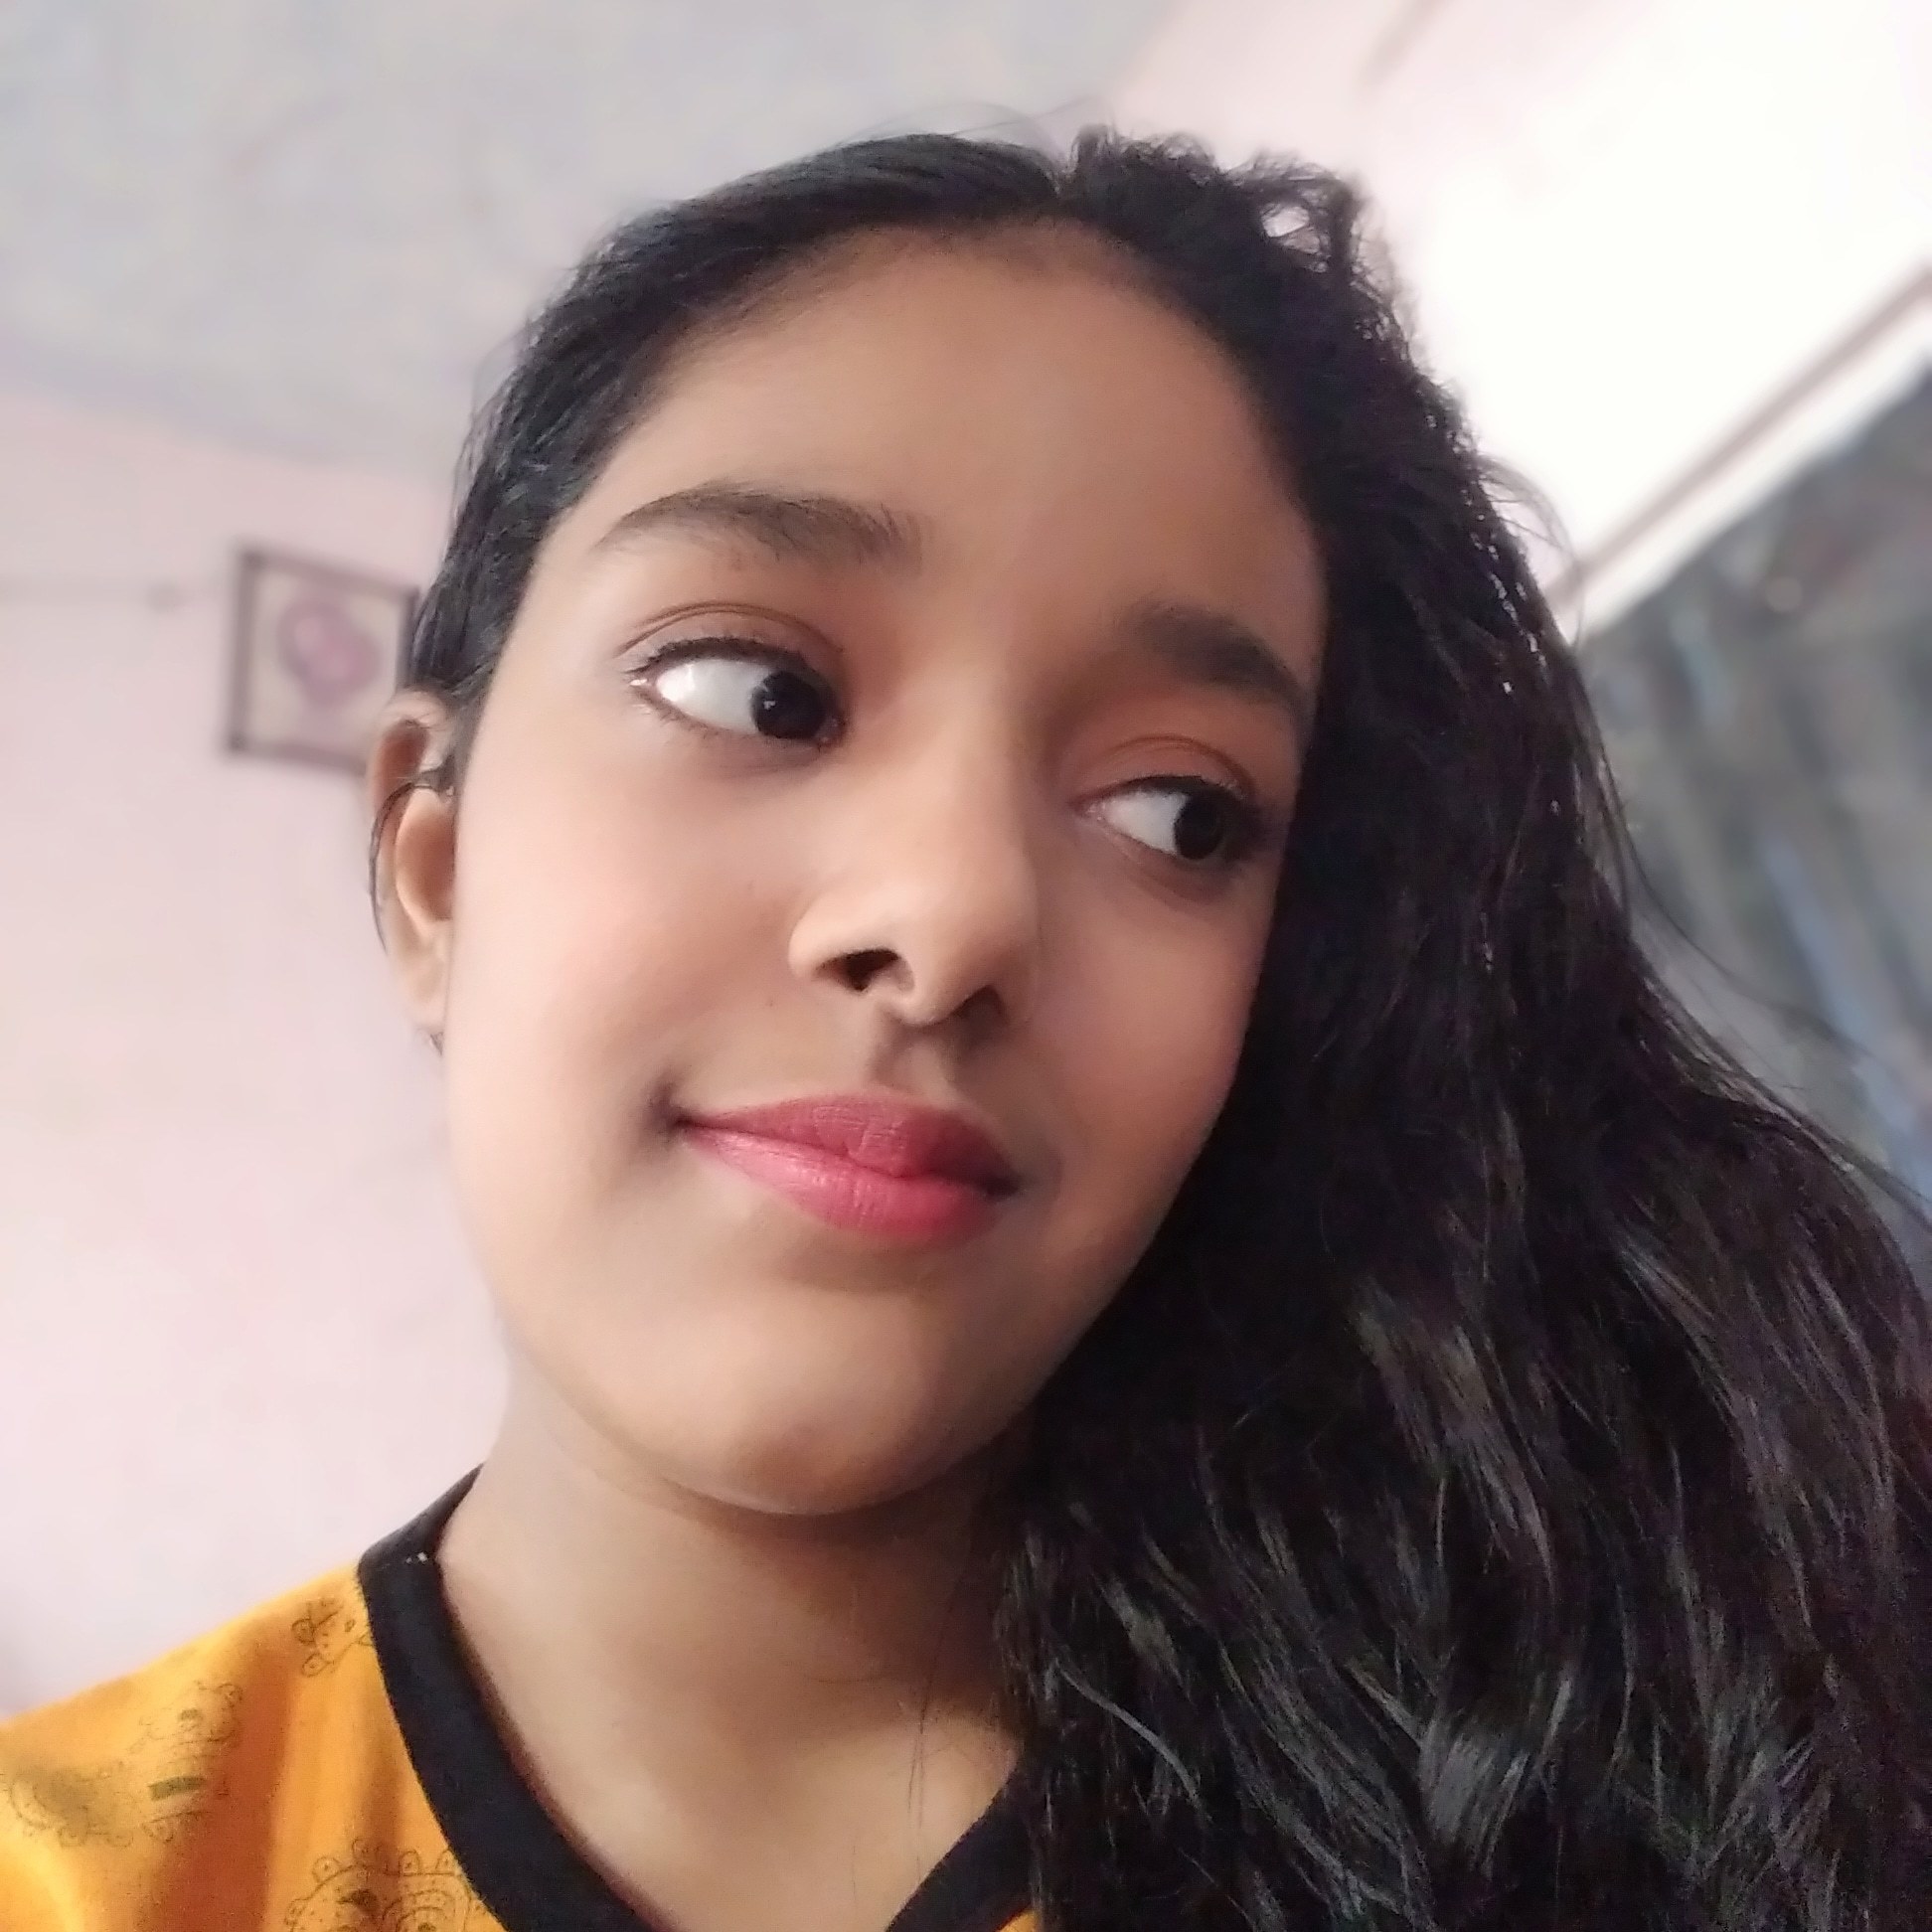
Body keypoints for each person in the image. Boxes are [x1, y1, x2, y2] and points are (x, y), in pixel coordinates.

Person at [2, 128, 1925, 1932]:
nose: (948, 916)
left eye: (1179, 811)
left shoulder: (1642, 1775)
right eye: (758, 692)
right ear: (432, 862)